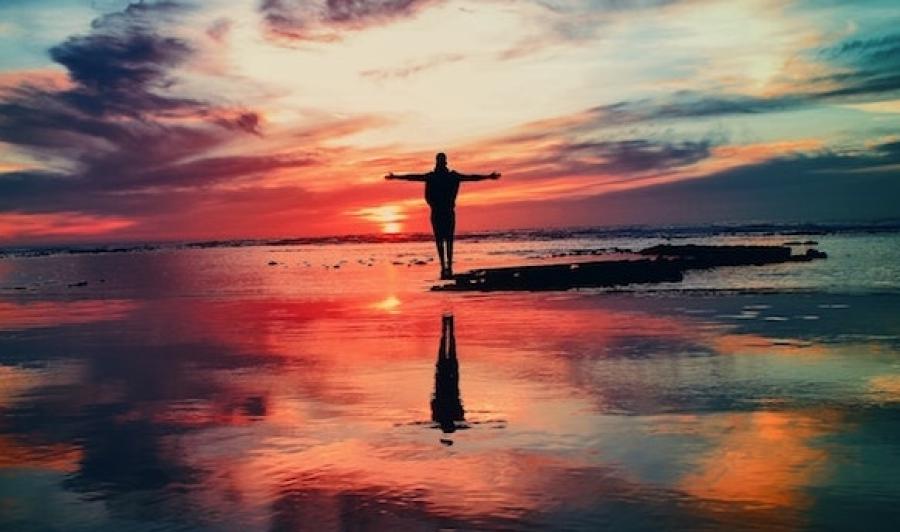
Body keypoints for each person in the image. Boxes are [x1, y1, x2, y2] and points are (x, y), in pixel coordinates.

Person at [385, 153, 500, 279]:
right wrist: (396, 177)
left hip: (443, 211)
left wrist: (488, 176)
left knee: (444, 239)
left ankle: (446, 265)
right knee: (444, 239)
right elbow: (413, 177)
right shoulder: (442, 176)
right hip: (441, 211)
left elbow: (471, 177)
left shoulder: (444, 176)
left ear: (440, 162)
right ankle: (446, 265)